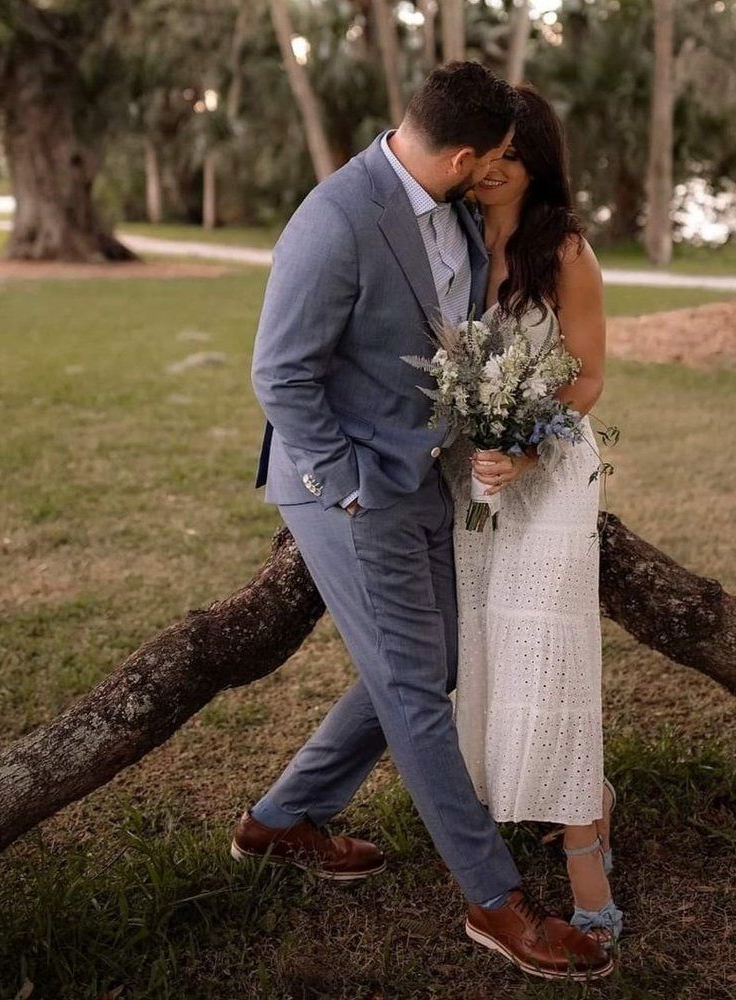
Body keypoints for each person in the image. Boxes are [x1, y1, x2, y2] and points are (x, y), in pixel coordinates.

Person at [240, 62, 613, 980]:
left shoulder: (452, 206)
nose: (492, 175)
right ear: (460, 153)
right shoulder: (335, 217)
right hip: (349, 484)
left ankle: (283, 818)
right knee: (415, 689)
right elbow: (278, 373)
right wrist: (347, 485)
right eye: (487, 160)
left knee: (437, 664)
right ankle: (496, 901)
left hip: (425, 480)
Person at [444, 84, 622, 946]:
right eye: (484, 153)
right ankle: (541, 802)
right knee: (491, 645)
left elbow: (587, 378)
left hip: (550, 476)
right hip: (475, 480)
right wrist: (484, 442)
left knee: (553, 660)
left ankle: (589, 864)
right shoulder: (452, 236)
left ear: (537, 161)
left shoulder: (568, 252)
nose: (491, 170)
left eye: (510, 155)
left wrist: (526, 442)